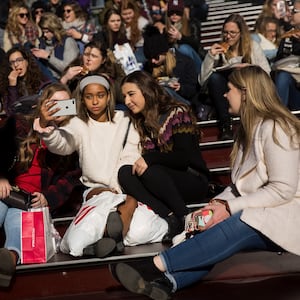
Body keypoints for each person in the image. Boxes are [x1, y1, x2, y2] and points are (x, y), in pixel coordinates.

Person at [114, 64, 300, 300]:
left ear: (246, 92)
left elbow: (282, 190)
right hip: (264, 210)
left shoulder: (276, 126)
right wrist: (214, 205)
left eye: (229, 89)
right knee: (212, 225)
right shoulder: (246, 131)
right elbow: (239, 187)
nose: (223, 94)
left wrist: (229, 207)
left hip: (288, 214)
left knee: (243, 220)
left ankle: (154, 266)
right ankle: (169, 282)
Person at [35, 75, 142, 257]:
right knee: (108, 198)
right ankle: (111, 240)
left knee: (130, 202)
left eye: (100, 95)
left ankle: (102, 243)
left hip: (123, 186)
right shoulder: (78, 123)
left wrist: (115, 187)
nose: (94, 101)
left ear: (108, 96)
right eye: (89, 96)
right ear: (82, 100)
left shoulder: (125, 119)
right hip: (95, 189)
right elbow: (62, 144)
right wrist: (45, 126)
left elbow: (131, 154)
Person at [0, 82, 82, 288]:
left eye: (65, 103)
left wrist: (49, 197)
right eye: (54, 103)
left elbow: (70, 177)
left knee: (19, 221)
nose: (59, 108)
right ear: (43, 103)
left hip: (31, 199)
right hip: (6, 189)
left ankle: (8, 259)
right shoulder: (20, 123)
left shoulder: (71, 135)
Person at [118, 70, 209, 243]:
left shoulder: (177, 112)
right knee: (125, 173)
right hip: (164, 182)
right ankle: (170, 218)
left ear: (146, 90)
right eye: (124, 97)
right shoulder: (141, 122)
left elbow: (184, 158)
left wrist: (150, 158)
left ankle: (186, 218)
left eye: (131, 94)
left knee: (150, 170)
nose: (127, 101)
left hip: (193, 179)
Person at [199, 13, 271, 140]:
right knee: (215, 78)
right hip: (226, 91)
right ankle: (226, 125)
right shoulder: (219, 50)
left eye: (233, 33)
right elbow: (202, 82)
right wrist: (210, 57)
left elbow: (266, 73)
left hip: (248, 87)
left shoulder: (252, 46)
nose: (228, 36)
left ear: (241, 33)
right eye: (225, 32)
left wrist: (248, 67)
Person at [143, 24, 198, 106]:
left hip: (182, 102)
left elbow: (194, 89)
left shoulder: (184, 62)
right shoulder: (147, 67)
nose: (153, 61)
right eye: (149, 58)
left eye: (156, 57)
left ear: (165, 53)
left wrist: (180, 88)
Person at [60, 40, 125, 107]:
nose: (88, 59)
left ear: (103, 60)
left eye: (94, 56)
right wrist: (65, 79)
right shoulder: (73, 72)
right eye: (86, 55)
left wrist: (109, 82)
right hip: (75, 111)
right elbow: (61, 106)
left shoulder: (113, 73)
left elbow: (123, 97)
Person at [0, 46, 51, 116]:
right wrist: (12, 87)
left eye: (19, 60)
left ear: (26, 62)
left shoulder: (42, 80)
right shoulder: (8, 84)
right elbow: (11, 113)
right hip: (20, 123)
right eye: (12, 62)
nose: (16, 65)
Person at [31, 12, 79, 81]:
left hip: (63, 81)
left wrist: (48, 56)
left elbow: (69, 69)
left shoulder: (68, 42)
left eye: (47, 32)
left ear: (54, 29)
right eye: (43, 32)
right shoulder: (42, 43)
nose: (44, 35)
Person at [273, 0, 300, 110]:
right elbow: (278, 63)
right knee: (283, 75)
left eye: (294, 11)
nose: (289, 14)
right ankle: (279, 117)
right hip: (294, 88)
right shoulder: (289, 36)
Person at [165, 0, 203, 74]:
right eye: (171, 12)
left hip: (195, 62)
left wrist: (181, 37)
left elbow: (196, 44)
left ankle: (197, 76)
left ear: (183, 14)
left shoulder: (192, 24)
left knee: (184, 48)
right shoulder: (165, 29)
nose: (174, 15)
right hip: (177, 63)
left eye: (178, 12)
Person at [121, 0, 149, 65]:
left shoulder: (142, 23)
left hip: (141, 49)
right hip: (126, 50)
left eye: (129, 13)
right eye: (124, 14)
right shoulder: (121, 24)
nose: (128, 16)